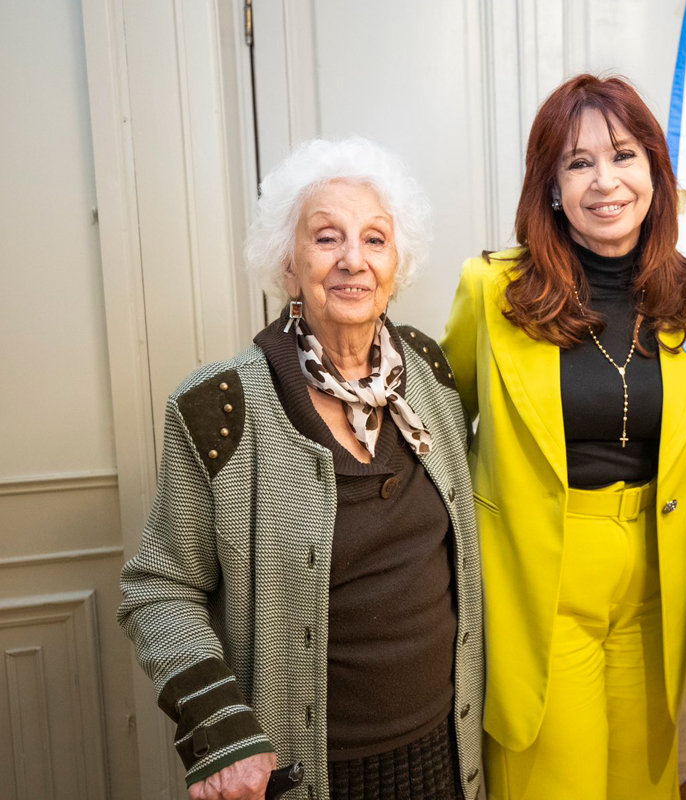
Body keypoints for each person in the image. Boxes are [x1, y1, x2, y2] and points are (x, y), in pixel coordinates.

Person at [118, 137, 483, 800]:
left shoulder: (431, 373)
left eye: (375, 239)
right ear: (288, 266)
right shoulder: (220, 407)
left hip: (447, 755)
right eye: (326, 237)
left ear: (396, 265)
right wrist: (221, 732)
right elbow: (158, 588)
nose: (353, 259)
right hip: (311, 774)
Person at [441, 74, 686, 800]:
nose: (606, 181)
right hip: (540, 579)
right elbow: (438, 429)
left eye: (624, 156)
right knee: (554, 783)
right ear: (551, 186)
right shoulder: (492, 290)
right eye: (578, 162)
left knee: (643, 782)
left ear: (655, 173)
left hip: (656, 579)